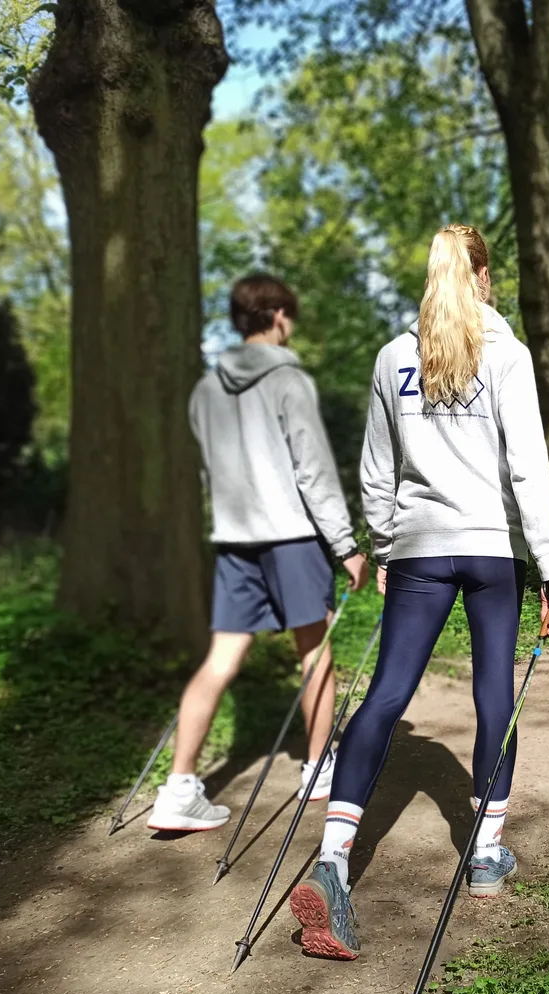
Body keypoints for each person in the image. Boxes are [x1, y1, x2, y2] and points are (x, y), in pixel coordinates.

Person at [287, 224, 549, 960]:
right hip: (490, 550)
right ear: (483, 277)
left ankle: (332, 859)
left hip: (418, 547)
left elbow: (375, 469)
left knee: (386, 693)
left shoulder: (394, 358)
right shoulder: (507, 355)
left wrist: (385, 546)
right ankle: (485, 855)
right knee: (492, 691)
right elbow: (528, 467)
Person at [148, 274, 370, 832]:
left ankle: (178, 789)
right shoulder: (290, 381)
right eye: (289, 315)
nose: (290, 325)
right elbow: (313, 471)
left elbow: (210, 470)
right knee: (315, 653)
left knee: (220, 660)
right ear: (275, 315)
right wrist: (345, 546)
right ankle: (318, 770)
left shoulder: (205, 390)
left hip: (234, 541)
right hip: (292, 537)